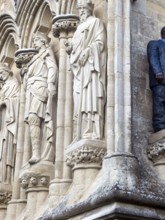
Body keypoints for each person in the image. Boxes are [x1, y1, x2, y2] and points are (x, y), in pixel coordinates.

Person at [67, 0, 107, 140]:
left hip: (90, 67)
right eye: (80, 9)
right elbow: (76, 46)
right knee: (79, 100)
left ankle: (92, 130)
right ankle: (81, 131)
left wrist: (89, 51)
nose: (81, 11)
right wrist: (70, 47)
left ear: (90, 9)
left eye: (84, 8)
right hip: (79, 69)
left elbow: (100, 42)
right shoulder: (79, 28)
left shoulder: (95, 22)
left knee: (91, 96)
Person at [24, 33, 58, 164]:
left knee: (35, 118)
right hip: (31, 89)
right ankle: (36, 153)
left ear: (43, 41)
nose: (34, 43)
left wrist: (50, 84)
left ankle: (38, 154)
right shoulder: (36, 57)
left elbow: (52, 68)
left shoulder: (46, 52)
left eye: (36, 40)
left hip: (40, 87)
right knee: (32, 120)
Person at [0, 63, 20, 186]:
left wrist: (5, 103)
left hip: (7, 124)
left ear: (8, 71)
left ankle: (5, 178)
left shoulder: (14, 85)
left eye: (2, 73)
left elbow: (18, 101)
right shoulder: (2, 89)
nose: (1, 76)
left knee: (5, 148)